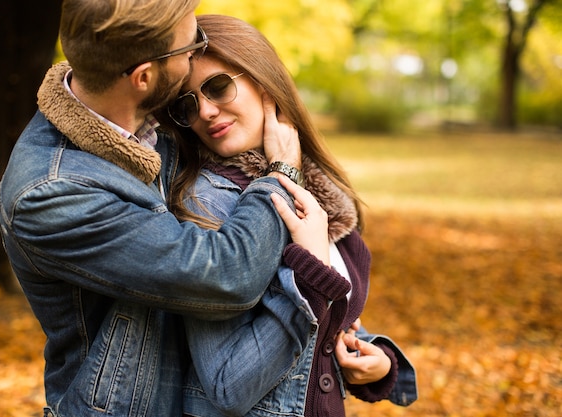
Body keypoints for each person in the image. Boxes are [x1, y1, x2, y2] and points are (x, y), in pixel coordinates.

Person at [0, 1, 322, 416]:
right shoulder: (51, 194)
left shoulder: (156, 122)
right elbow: (224, 275)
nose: (195, 55)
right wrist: (279, 173)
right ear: (144, 76)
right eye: (189, 48)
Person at [158, 14, 418, 417]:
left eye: (218, 86)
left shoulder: (322, 190)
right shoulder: (205, 205)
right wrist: (310, 268)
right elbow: (228, 385)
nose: (206, 112)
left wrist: (379, 361)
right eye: (187, 104)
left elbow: (328, 325)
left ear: (263, 81)